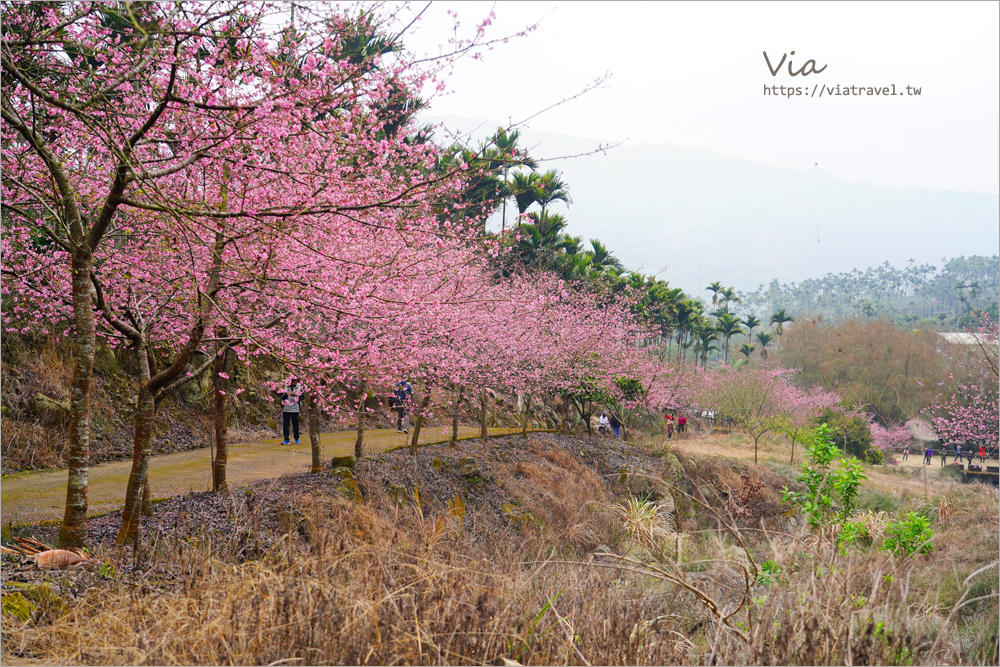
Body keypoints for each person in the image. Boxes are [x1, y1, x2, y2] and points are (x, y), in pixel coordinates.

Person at [279, 378, 304, 445]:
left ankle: (296, 438)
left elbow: (302, 397)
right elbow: (281, 396)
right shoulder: (285, 386)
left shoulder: (299, 386)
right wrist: (287, 395)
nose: (293, 382)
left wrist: (297, 397)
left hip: (295, 408)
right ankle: (286, 439)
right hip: (286, 408)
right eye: (292, 381)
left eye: (294, 381)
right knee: (286, 424)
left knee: (295, 424)